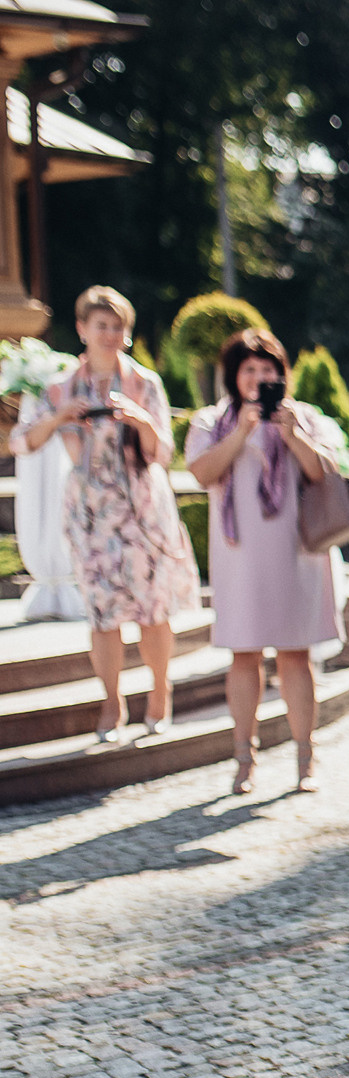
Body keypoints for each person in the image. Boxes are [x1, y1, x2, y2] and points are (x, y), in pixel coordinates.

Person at [8, 286, 199, 741]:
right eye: (102, 326)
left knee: (153, 611)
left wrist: (141, 419)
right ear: (82, 329)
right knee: (102, 613)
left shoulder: (144, 383)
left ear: (126, 333)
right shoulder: (59, 386)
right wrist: (59, 418)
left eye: (118, 327)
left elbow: (164, 452)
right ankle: (111, 704)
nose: (111, 334)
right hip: (89, 514)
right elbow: (21, 443)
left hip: (142, 509)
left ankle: (159, 691)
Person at [184, 329, 342, 794]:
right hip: (240, 555)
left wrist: (291, 434)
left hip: (297, 552)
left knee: (296, 654)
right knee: (244, 654)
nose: (259, 378)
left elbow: (322, 473)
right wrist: (243, 432)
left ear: (281, 374)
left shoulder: (305, 417)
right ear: (233, 375)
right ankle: (243, 758)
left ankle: (304, 756)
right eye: (249, 369)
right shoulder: (211, 421)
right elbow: (202, 473)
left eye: (268, 370)